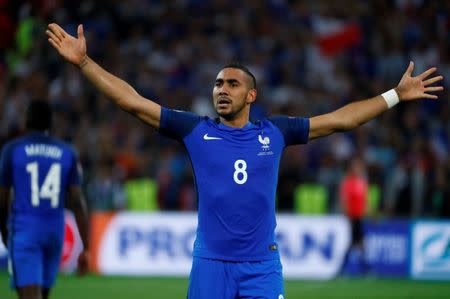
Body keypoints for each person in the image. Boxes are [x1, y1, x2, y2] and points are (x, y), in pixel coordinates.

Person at [46, 23, 444, 299]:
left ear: (251, 95)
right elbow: (131, 101)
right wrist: (84, 64)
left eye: (232, 84)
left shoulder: (276, 132)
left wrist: (394, 95)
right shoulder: (195, 129)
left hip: (261, 266)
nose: (222, 90)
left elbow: (342, 119)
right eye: (218, 83)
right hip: (210, 265)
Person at [0, 100, 90, 299]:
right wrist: (87, 247)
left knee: (30, 295)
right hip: (55, 231)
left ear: (26, 122)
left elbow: (2, 198)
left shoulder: (12, 150)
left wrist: (4, 231)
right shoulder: (67, 152)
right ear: (50, 124)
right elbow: (77, 201)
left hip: (25, 229)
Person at [339, 157, 369, 274]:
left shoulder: (362, 182)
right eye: (356, 166)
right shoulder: (348, 182)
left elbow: (365, 201)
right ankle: (365, 268)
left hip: (360, 217)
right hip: (353, 217)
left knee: (357, 241)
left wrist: (369, 213)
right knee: (357, 242)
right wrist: (348, 216)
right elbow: (344, 200)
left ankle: (344, 268)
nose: (358, 169)